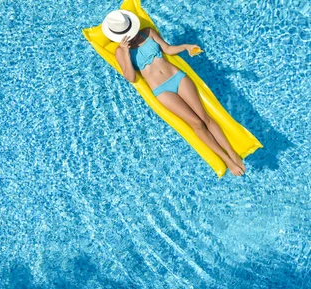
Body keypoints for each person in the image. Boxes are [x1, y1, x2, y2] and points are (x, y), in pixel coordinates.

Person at [102, 10, 246, 176]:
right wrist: (126, 52)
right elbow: (131, 77)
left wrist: (185, 47)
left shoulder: (148, 32)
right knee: (196, 123)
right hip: (162, 90)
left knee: (205, 117)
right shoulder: (120, 52)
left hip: (178, 77)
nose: (131, 35)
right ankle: (226, 160)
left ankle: (233, 153)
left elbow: (168, 49)